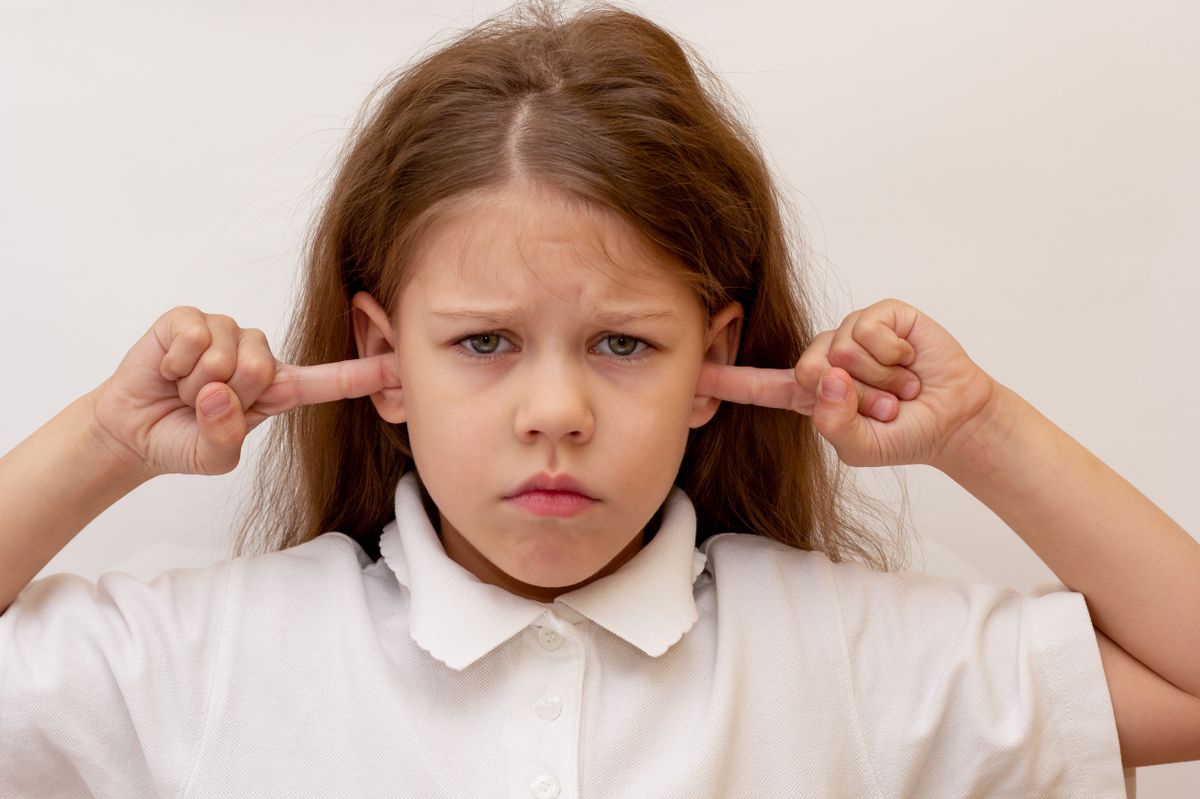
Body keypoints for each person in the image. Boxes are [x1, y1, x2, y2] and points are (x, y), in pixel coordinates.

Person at [1, 1, 1197, 796]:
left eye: (624, 342)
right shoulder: (212, 655)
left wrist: (978, 429)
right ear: (382, 359)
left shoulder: (843, 652)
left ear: (712, 365)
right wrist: (110, 441)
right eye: (484, 343)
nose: (556, 409)